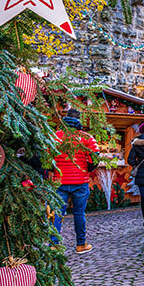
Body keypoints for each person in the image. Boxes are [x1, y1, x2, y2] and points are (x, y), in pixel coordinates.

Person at [53, 109, 99, 254]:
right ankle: (81, 244)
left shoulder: (55, 137)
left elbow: (47, 158)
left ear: (65, 120)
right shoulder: (86, 138)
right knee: (79, 213)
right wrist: (87, 169)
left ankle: (54, 246)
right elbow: (95, 159)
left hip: (59, 182)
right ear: (79, 121)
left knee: (57, 214)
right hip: (80, 181)